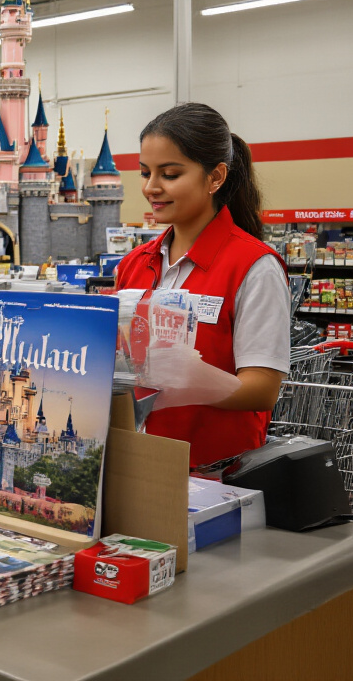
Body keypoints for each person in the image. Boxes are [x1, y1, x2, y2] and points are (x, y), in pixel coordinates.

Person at [115, 103, 289, 468]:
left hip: (215, 474)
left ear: (215, 177)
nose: (151, 187)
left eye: (171, 174)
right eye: (145, 173)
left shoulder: (253, 267)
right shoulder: (134, 264)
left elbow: (264, 389)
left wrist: (190, 380)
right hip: (135, 462)